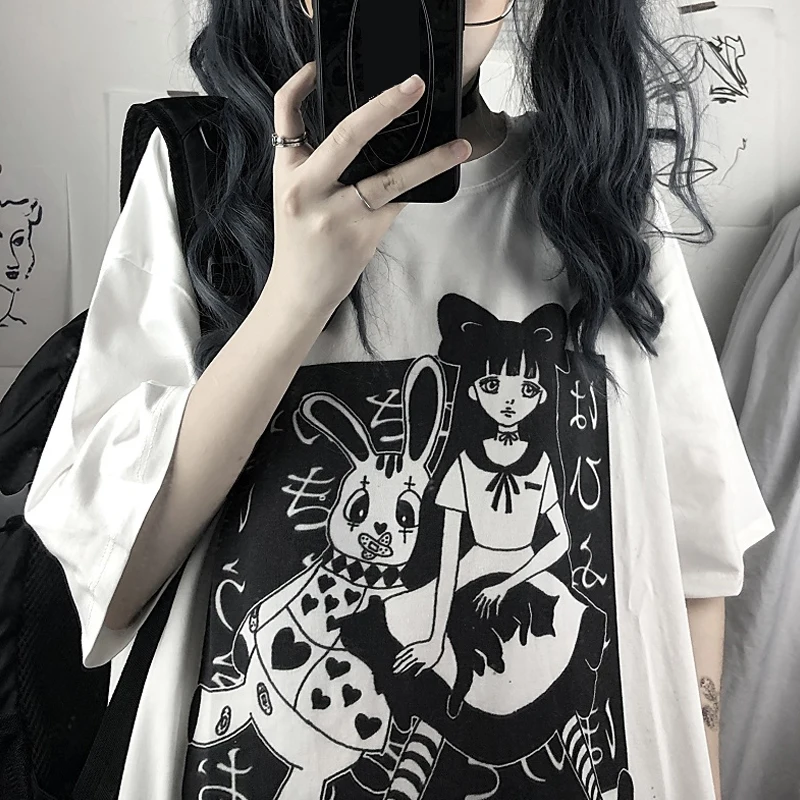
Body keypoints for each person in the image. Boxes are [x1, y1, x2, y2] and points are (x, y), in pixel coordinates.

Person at [23, 0, 774, 798]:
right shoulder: (204, 178)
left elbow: (694, 564)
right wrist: (293, 299)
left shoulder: (602, 206)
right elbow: (107, 580)